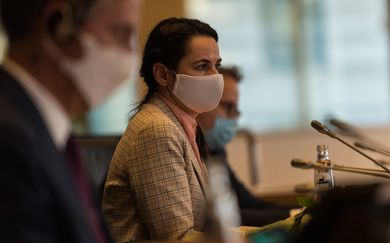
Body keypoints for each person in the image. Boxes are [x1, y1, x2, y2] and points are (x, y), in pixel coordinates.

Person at [0, 0, 138, 242]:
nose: (130, 54)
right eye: (120, 33)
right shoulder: (9, 141)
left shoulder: (49, 130)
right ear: (59, 26)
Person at [102, 17, 224, 241]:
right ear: (163, 75)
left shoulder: (180, 124)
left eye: (217, 65)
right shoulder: (157, 130)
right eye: (202, 66)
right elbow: (176, 238)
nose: (215, 76)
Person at [197, 66, 292, 227]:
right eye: (228, 107)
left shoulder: (215, 150)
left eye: (235, 109)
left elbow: (250, 203)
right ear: (202, 102)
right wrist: (294, 216)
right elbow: (215, 219)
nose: (233, 117)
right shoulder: (187, 149)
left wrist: (301, 213)